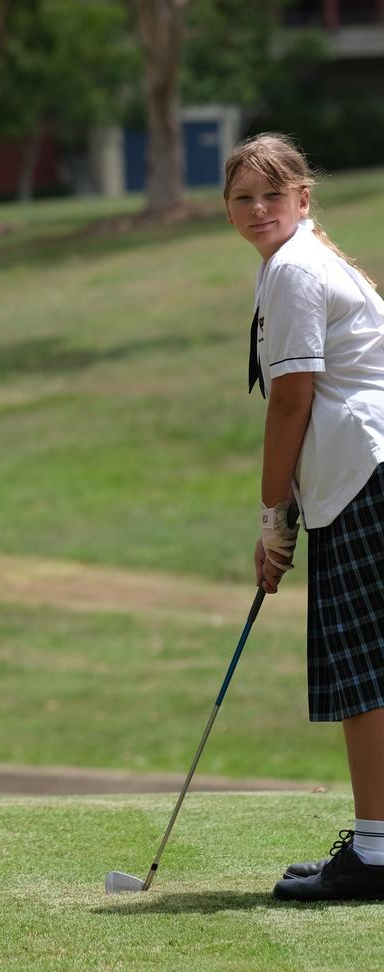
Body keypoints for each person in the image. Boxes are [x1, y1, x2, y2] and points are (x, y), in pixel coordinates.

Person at [224, 133, 384, 902]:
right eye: (242, 197)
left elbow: (292, 399)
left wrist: (270, 516)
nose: (258, 209)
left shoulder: (292, 270)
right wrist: (286, 509)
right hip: (363, 469)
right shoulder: (307, 260)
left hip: (362, 474)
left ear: (303, 198)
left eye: (272, 194)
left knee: (363, 666)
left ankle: (379, 853)